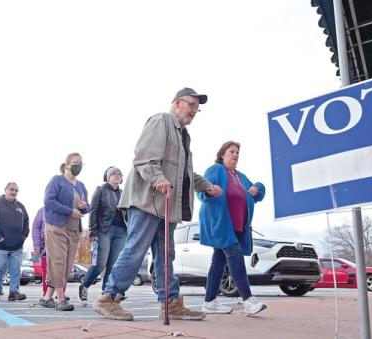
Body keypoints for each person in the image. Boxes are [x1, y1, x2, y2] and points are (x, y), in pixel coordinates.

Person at [94, 87, 222, 321]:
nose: (194, 111)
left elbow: (185, 173)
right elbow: (143, 158)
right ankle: (109, 298)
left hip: (166, 206)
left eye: (197, 108)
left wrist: (206, 186)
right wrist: (159, 179)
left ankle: (170, 302)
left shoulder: (183, 135)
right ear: (176, 104)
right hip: (147, 201)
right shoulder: (161, 121)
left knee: (166, 255)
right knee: (135, 249)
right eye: (191, 105)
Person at [198, 141, 267, 315]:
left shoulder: (241, 177)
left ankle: (209, 302)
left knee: (218, 263)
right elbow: (201, 190)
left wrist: (257, 187)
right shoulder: (216, 170)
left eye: (238, 152)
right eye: (232, 151)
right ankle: (248, 300)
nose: (235, 155)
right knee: (235, 256)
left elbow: (258, 193)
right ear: (222, 154)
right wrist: (209, 191)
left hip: (237, 226)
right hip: (220, 223)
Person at [40, 152, 90, 311]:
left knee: (67, 265)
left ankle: (47, 297)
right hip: (57, 226)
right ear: (67, 164)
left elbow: (87, 207)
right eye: (76, 162)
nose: (79, 165)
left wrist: (84, 207)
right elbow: (48, 201)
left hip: (74, 228)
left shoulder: (81, 185)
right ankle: (60, 299)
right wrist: (69, 211)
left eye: (81, 163)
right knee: (58, 261)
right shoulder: (57, 180)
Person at [79, 166, 127, 302]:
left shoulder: (123, 193)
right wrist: (93, 231)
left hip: (121, 232)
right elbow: (93, 210)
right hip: (104, 230)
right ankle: (85, 285)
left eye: (119, 174)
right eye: (114, 174)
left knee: (113, 265)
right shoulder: (100, 190)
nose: (117, 176)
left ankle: (107, 295)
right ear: (107, 176)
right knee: (100, 264)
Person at [0, 182, 30, 301]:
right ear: (5, 190)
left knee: (15, 270)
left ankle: (14, 292)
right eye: (11, 189)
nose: (14, 192)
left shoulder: (20, 206)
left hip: (16, 246)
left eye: (16, 190)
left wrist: (23, 237)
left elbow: (26, 222)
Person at [32, 207, 66, 297]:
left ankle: (61, 294)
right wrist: (36, 245)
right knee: (46, 271)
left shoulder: (65, 209)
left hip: (62, 244)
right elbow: (36, 228)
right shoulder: (42, 211)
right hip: (46, 246)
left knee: (63, 269)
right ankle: (46, 294)